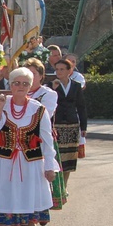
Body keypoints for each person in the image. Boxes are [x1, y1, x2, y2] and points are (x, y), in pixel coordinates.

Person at [0, 67, 58, 226]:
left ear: (30, 85)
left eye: (25, 83)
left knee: (29, 195)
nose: (21, 86)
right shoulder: (1, 103)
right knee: (8, 196)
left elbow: (47, 139)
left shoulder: (38, 108)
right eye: (17, 83)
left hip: (31, 162)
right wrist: (0, 108)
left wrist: (50, 165)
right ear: (10, 84)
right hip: (5, 161)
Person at [24, 57, 66, 211]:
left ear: (41, 76)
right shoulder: (18, 92)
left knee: (42, 175)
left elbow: (44, 116)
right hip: (22, 141)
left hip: (41, 140)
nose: (29, 77)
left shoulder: (48, 93)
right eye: (26, 73)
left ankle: (42, 208)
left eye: (33, 74)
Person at [52, 58, 87, 188]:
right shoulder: (51, 86)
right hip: (57, 125)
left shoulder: (76, 86)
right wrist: (54, 90)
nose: (59, 72)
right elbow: (49, 105)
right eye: (57, 69)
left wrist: (84, 126)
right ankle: (56, 187)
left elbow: (81, 106)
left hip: (72, 125)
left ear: (69, 71)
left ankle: (64, 186)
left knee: (69, 158)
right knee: (57, 156)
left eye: (62, 69)